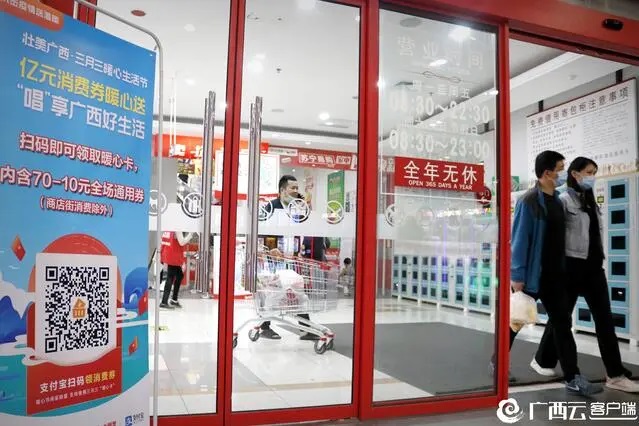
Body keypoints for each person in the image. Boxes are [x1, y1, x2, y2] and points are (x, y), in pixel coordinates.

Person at [492, 150, 602, 396]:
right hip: (532, 275)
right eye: (560, 169)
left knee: (562, 325)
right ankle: (497, 361)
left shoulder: (558, 201)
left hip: (555, 276)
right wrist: (517, 277)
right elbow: (519, 240)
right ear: (547, 173)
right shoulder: (530, 201)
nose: (563, 173)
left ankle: (573, 377)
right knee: (516, 322)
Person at [531, 156, 639, 393]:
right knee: (561, 319)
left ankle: (615, 373)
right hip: (570, 267)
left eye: (594, 172)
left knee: (604, 320)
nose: (593, 177)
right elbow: (553, 235)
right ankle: (543, 359)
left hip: (593, 268)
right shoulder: (562, 200)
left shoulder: (589, 200)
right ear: (575, 173)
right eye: (589, 172)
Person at [258, 175, 319, 341]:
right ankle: (264, 326)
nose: (296, 191)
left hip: (290, 256)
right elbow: (261, 229)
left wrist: (306, 205)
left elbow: (304, 226)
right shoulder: (271, 206)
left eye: (297, 188)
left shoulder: (296, 207)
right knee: (274, 293)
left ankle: (305, 329)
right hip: (273, 259)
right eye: (293, 188)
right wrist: (269, 248)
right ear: (282, 190)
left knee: (297, 291)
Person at [159, 230, 192, 309]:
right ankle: (164, 302)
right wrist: (190, 234)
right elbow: (182, 242)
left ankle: (174, 300)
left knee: (179, 275)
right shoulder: (177, 229)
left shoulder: (167, 229)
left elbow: (162, 241)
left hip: (168, 253)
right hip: (173, 256)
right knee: (170, 277)